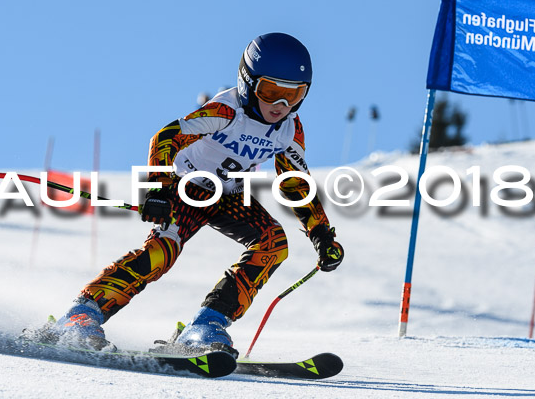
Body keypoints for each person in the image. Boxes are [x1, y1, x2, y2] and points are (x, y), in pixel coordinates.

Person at [38, 32, 344, 356]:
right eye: (270, 91)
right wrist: (159, 189)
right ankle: (81, 315)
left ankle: (205, 326)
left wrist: (321, 233)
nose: (280, 105)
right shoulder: (227, 112)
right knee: (163, 251)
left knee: (273, 244)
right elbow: (166, 137)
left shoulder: (289, 129)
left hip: (228, 195)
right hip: (187, 186)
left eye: (293, 95)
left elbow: (294, 182)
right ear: (248, 82)